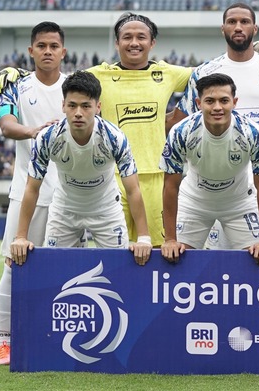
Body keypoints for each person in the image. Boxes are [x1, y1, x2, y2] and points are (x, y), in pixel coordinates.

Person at [177, 2, 259, 249]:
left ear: (255, 28)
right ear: (223, 28)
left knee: (258, 256)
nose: (238, 27)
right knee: (209, 259)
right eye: (232, 22)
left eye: (244, 22)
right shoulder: (204, 73)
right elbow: (182, 121)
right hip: (212, 182)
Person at [9, 70, 152, 268]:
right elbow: (32, 188)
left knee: (118, 273)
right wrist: (20, 237)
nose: (78, 113)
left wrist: (144, 238)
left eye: (85, 106)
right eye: (72, 105)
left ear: (98, 107)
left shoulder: (114, 138)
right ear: (63, 106)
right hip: (64, 211)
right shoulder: (48, 138)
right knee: (57, 272)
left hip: (106, 211)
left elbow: (133, 189)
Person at [0, 21, 67, 366]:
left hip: (69, 194)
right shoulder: (15, 87)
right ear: (31, 51)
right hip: (26, 192)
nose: (48, 51)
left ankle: (54, 338)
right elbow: (6, 125)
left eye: (54, 46)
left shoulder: (76, 86)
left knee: (66, 268)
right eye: (42, 46)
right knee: (13, 264)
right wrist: (34, 131)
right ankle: (4, 341)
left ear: (63, 51)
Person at [86, 13, 193, 247]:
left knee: (159, 250)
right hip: (112, 177)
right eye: (127, 37)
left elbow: (208, 76)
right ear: (117, 43)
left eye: (141, 37)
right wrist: (19, 75)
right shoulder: (98, 76)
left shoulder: (167, 73)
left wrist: (179, 115)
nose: (134, 43)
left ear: (152, 43)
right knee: (114, 249)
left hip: (156, 176)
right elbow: (61, 83)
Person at [160, 73, 259, 265]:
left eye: (224, 100)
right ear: (198, 103)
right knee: (175, 258)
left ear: (234, 102)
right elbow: (170, 186)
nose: (217, 107)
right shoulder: (181, 132)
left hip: (239, 202)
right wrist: (170, 239)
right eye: (210, 101)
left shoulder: (253, 133)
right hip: (194, 202)